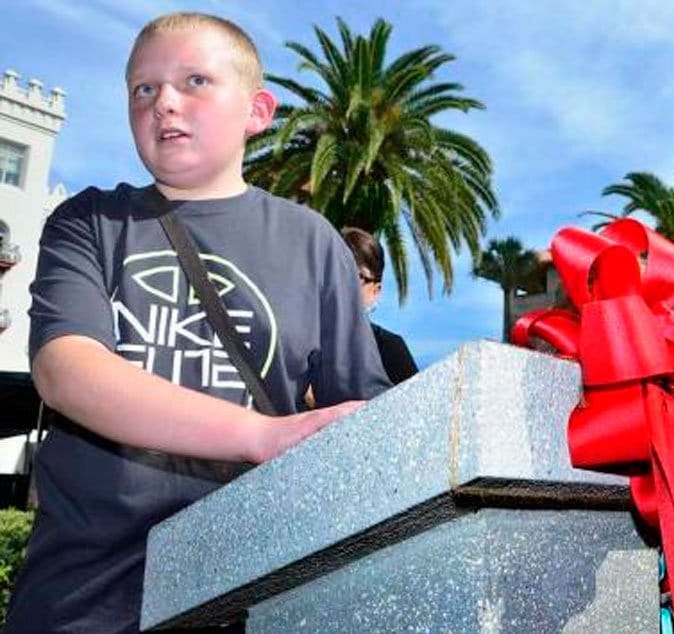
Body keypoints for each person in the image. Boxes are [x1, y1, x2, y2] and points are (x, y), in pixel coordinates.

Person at [5, 13, 391, 633]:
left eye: (195, 81)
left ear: (257, 111)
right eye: (143, 88)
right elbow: (67, 369)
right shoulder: (90, 222)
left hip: (253, 598)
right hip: (80, 602)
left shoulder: (312, 242)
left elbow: (365, 423)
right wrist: (262, 435)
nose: (164, 104)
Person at [341, 227, 418, 384]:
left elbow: (417, 405)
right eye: (337, 273)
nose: (343, 284)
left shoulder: (390, 349)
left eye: (357, 277)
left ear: (375, 291)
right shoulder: (303, 343)